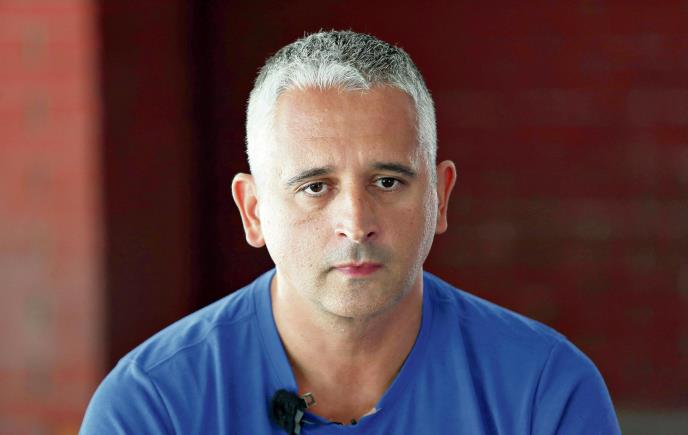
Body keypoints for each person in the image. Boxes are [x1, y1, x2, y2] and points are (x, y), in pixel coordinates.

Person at [80, 30, 621, 434]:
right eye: (315, 187)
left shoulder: (544, 392)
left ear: (440, 197)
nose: (356, 223)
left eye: (388, 181)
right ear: (253, 211)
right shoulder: (153, 407)